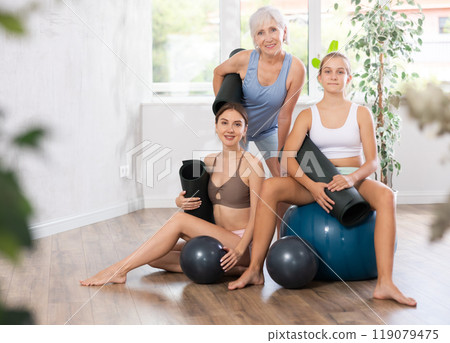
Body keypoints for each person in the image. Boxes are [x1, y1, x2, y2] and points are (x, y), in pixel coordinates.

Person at [228, 52, 417, 307]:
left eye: (340, 72)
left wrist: (351, 179)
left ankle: (385, 283)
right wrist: (312, 187)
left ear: (349, 78)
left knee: (386, 196)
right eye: (328, 71)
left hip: (352, 180)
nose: (334, 76)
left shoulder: (361, 113)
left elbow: (373, 161)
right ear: (319, 78)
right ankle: (254, 270)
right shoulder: (308, 115)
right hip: (317, 181)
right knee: (269, 186)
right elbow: (289, 158)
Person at [80, 103, 264, 286]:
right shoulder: (210, 160)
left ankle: (118, 270)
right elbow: (203, 200)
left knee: (178, 221)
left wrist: (240, 250)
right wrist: (181, 201)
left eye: (237, 124)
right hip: (217, 239)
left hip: (242, 244)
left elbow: (259, 217)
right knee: (155, 257)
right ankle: (235, 270)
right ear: (216, 127)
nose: (230, 129)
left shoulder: (252, 165)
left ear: (245, 129)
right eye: (224, 123)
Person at [213, 5, 305, 178]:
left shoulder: (296, 68)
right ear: (255, 38)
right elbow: (218, 72)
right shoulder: (244, 59)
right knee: (236, 179)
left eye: (273, 30)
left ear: (284, 32)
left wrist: (281, 152)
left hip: (268, 129)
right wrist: (225, 114)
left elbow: (285, 115)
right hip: (238, 130)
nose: (268, 38)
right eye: (260, 33)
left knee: (283, 175)